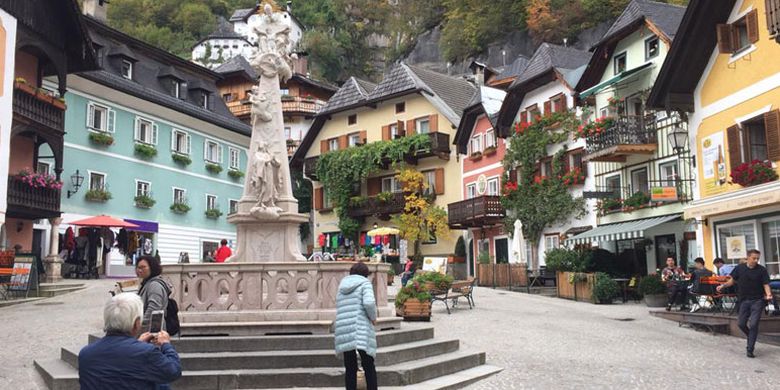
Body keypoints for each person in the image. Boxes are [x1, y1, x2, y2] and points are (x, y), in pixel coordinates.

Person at [78, 293, 181, 389]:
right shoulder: (146, 353)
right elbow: (173, 371)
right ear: (136, 323)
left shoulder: (85, 354)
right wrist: (166, 345)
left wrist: (137, 345)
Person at [717, 249, 773, 358]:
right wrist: (723, 286)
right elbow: (732, 281)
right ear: (748, 257)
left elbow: (766, 284)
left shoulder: (762, 270)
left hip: (758, 300)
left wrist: (769, 294)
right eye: (754, 258)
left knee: (753, 324)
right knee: (741, 324)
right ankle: (751, 336)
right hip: (743, 300)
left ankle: (750, 349)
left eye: (758, 258)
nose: (756, 260)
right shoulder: (739, 268)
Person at [334, 262, 378, 390]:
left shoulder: (342, 285)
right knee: (368, 362)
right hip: (360, 326)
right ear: (365, 274)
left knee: (350, 365)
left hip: (344, 327)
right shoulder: (365, 283)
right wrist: (373, 317)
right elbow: (369, 303)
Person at [136, 255, 174, 334]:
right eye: (138, 267)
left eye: (143, 267)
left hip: (152, 333)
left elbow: (153, 309)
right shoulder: (147, 283)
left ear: (152, 267)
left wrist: (139, 326)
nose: (139, 270)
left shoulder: (155, 285)